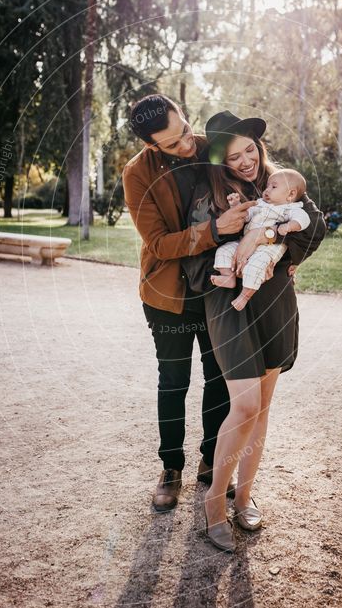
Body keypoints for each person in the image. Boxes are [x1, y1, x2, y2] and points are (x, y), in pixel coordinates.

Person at [183, 110, 326, 552]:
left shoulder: (280, 182)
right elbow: (194, 260)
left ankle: (244, 495)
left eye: (250, 150)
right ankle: (213, 501)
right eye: (234, 155)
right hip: (227, 302)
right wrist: (232, 241)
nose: (245, 161)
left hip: (275, 299)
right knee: (244, 406)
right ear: (219, 160)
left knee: (262, 409)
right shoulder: (206, 194)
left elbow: (316, 225)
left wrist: (266, 242)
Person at [122, 95, 255, 512]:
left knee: (218, 378)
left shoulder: (210, 147)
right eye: (172, 143)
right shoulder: (137, 174)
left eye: (184, 131)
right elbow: (159, 244)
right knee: (173, 380)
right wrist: (214, 230)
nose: (186, 145)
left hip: (216, 290)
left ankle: (209, 461)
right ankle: (170, 467)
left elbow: (263, 185)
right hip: (167, 295)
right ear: (150, 145)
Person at [211, 168, 310, 310]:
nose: (267, 190)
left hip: (268, 249)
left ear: (291, 194)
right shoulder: (260, 204)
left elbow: (303, 220)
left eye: (274, 187)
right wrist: (236, 206)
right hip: (244, 243)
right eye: (268, 186)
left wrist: (288, 226)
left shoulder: (291, 209)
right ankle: (228, 277)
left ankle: (244, 296)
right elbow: (246, 216)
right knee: (224, 250)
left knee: (256, 267)